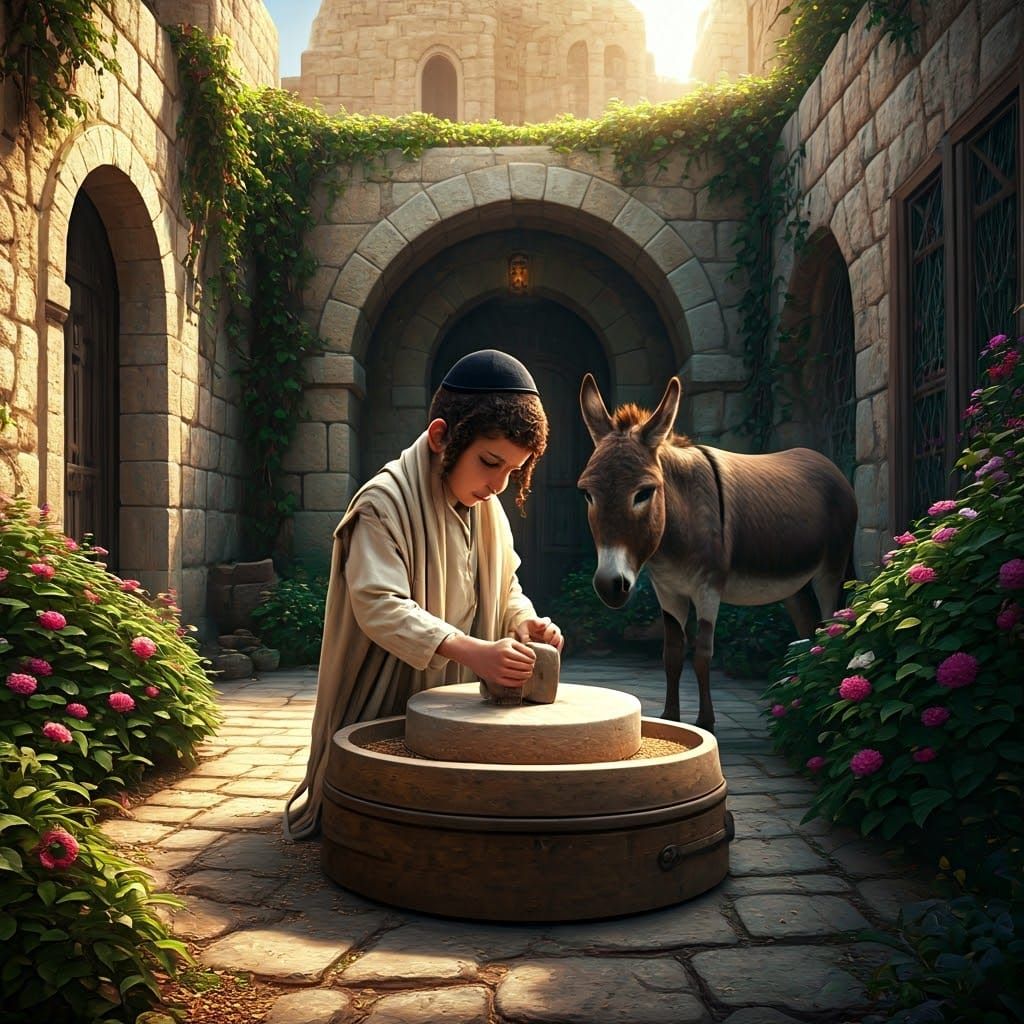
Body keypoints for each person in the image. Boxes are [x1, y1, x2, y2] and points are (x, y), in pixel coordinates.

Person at [284, 349, 564, 839]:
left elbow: (507, 584)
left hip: (452, 705)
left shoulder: (486, 506)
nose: (498, 484)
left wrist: (524, 621)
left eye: (512, 473)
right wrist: (472, 651)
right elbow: (380, 606)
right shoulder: (383, 502)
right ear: (442, 437)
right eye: (490, 463)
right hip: (384, 703)